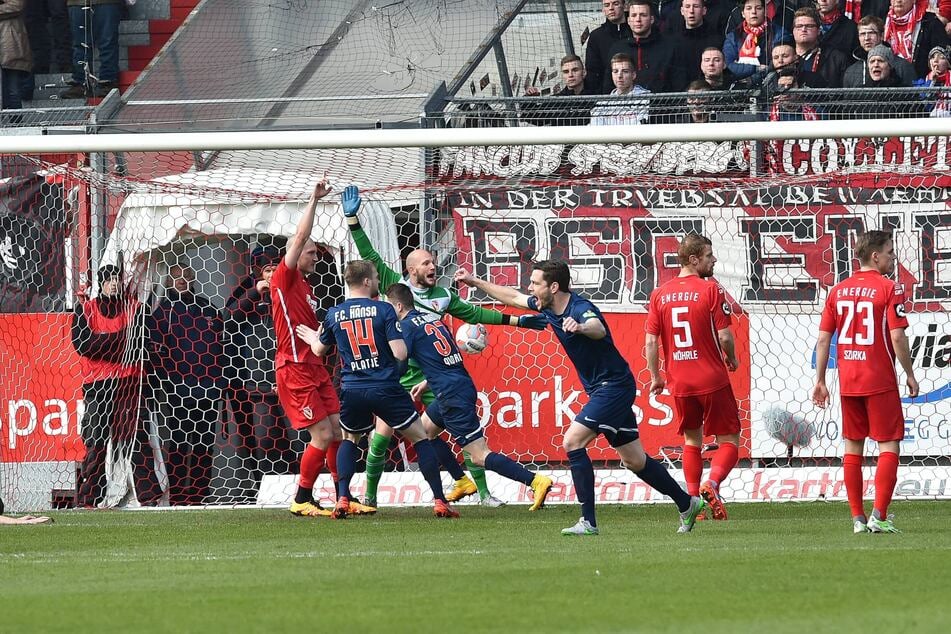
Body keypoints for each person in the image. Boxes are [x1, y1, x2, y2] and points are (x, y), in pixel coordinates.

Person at [455, 261, 706, 536]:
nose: (530, 287)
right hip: (604, 388)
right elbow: (512, 296)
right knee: (634, 461)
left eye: (536, 283)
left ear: (554, 286)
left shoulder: (578, 308)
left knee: (572, 441)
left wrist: (581, 327)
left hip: (614, 386)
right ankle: (687, 503)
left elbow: (597, 327)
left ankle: (588, 522)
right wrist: (475, 282)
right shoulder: (547, 306)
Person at [342, 185, 548, 509]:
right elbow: (370, 257)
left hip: (433, 375)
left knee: (447, 431)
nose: (432, 266)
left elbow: (477, 313)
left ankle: (482, 493)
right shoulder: (397, 287)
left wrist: (518, 322)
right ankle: (369, 495)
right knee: (380, 439)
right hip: (401, 375)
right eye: (426, 262)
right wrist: (353, 220)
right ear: (411, 270)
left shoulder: (443, 296)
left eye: (433, 261)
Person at [295, 261, 460, 519]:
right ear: (368, 282)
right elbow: (400, 352)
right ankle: (440, 500)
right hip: (385, 387)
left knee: (350, 440)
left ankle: (342, 499)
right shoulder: (383, 309)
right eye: (375, 278)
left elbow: (318, 351)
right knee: (420, 438)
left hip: (353, 389)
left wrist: (314, 338)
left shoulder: (333, 313)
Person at [385, 282, 554, 511]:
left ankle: (535, 481)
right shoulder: (434, 320)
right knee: (423, 433)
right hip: (455, 385)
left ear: (397, 305)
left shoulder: (405, 327)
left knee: (479, 456)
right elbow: (444, 357)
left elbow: (402, 365)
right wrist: (427, 381)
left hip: (451, 394)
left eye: (388, 306)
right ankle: (462, 481)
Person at [811, 230, 919, 534]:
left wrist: (820, 380)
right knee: (889, 445)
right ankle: (879, 515)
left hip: (848, 381)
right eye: (889, 252)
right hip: (879, 379)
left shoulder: (838, 290)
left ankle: (857, 518)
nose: (892, 258)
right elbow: (897, 335)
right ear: (875, 256)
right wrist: (909, 374)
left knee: (852, 448)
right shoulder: (889, 288)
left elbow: (823, 340)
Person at [644, 235, 741, 522]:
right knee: (729, 440)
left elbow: (651, 342)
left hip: (680, 382)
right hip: (711, 378)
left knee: (691, 440)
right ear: (694, 260)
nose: (714, 260)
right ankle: (712, 484)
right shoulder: (710, 289)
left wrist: (655, 377)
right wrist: (732, 358)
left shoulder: (659, 294)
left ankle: (692, 502)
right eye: (710, 255)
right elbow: (724, 335)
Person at [268, 180, 343, 518]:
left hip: (314, 365)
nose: (315, 255)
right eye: (312, 252)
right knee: (323, 433)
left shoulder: (307, 288)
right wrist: (313, 200)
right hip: (294, 367)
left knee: (337, 430)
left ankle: (343, 496)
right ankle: (301, 497)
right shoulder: (284, 278)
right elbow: (298, 239)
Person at [72, 264, 163, 508]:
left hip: (130, 382)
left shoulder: (135, 308)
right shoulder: (86, 310)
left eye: (116, 279)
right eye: (109, 280)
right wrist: (123, 340)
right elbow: (82, 345)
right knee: (96, 442)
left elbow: (141, 343)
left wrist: (102, 344)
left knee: (137, 441)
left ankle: (148, 496)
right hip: (98, 386)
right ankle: (89, 498)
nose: (113, 284)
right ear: (100, 284)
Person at [222, 246, 296, 497]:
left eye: (276, 269)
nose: (271, 274)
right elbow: (229, 319)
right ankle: (260, 486)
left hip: (291, 377)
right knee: (263, 436)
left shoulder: (291, 292)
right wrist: (255, 293)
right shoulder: (246, 294)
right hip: (256, 383)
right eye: (267, 269)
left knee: (296, 436)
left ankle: (296, 485)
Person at [149, 264, 223, 506]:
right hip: (178, 388)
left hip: (209, 388)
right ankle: (179, 496)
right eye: (176, 275)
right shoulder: (162, 310)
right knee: (180, 443)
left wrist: (221, 379)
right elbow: (155, 349)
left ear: (193, 278)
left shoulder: (207, 307)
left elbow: (224, 343)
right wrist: (165, 380)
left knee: (204, 444)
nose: (181, 279)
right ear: (168, 280)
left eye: (186, 274)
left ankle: (200, 496)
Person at [607, 0, 685, 92]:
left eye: (643, 15)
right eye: (634, 15)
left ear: (652, 19)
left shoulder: (669, 48)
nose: (638, 20)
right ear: (628, 20)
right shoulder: (617, 49)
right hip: (624, 105)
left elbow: (679, 84)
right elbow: (608, 85)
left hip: (661, 105)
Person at [61, 0, 122, 99]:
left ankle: (108, 81)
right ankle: (81, 82)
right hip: (77, 3)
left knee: (107, 42)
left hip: (106, 3)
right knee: (80, 44)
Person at [724, 0, 789, 86]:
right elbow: (728, 64)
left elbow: (781, 62)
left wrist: (753, 76)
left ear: (765, 11)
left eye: (758, 8)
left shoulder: (779, 33)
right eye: (749, 8)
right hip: (740, 86)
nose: (754, 12)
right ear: (743, 13)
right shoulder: (733, 37)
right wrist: (756, 68)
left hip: (772, 84)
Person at [523, 55, 597, 126]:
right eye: (566, 72)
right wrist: (529, 98)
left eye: (575, 70)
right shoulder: (556, 101)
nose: (570, 75)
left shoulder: (596, 97)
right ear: (562, 76)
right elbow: (532, 118)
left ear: (584, 73)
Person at [883, 0, 949, 80]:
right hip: (891, 83)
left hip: (922, 83)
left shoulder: (929, 21)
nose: (898, 1)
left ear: (914, 1)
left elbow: (942, 51)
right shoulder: (884, 22)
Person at [843, 16, 916, 87]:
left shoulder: (902, 67)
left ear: (881, 35)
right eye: (862, 34)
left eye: (871, 33)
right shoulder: (851, 71)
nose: (866, 38)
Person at [671, 0, 726, 86]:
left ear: (704, 10)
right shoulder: (673, 42)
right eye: (687, 6)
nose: (691, 11)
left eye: (696, 6)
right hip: (680, 94)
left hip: (710, 92)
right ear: (682, 11)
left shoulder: (717, 40)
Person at [792, 7, 850, 87]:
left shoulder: (836, 59)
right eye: (799, 26)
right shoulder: (783, 57)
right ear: (793, 31)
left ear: (819, 30)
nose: (804, 29)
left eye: (809, 26)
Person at [585, 0, 632, 93]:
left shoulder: (635, 31)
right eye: (607, 5)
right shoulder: (596, 36)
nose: (611, 8)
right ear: (603, 9)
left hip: (637, 94)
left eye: (615, 4)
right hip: (606, 95)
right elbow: (593, 71)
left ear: (625, 6)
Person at [589, 53, 651, 125]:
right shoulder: (602, 105)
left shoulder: (646, 99)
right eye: (615, 71)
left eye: (625, 71)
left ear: (633, 75)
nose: (619, 76)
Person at [0, 0, 33, 110]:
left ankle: (17, 124)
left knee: (13, 91)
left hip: (9, 41)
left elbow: (17, 5)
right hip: (9, 39)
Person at [913, 45, 951, 115]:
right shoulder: (925, 80)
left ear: (947, 63)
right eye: (933, 57)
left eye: (941, 58)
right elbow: (926, 103)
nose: (936, 60)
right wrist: (932, 81)